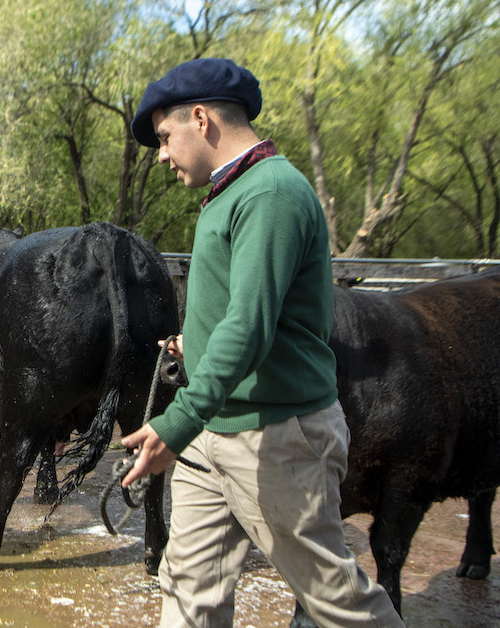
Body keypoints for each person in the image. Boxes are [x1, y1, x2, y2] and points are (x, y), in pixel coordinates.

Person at [120, 59, 403, 627]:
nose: (160, 154)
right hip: (215, 429)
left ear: (200, 118)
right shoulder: (230, 194)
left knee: (333, 598)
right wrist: (192, 343)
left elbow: (249, 326)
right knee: (187, 585)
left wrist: (176, 425)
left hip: (274, 435)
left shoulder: (271, 194)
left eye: (164, 137)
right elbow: (240, 314)